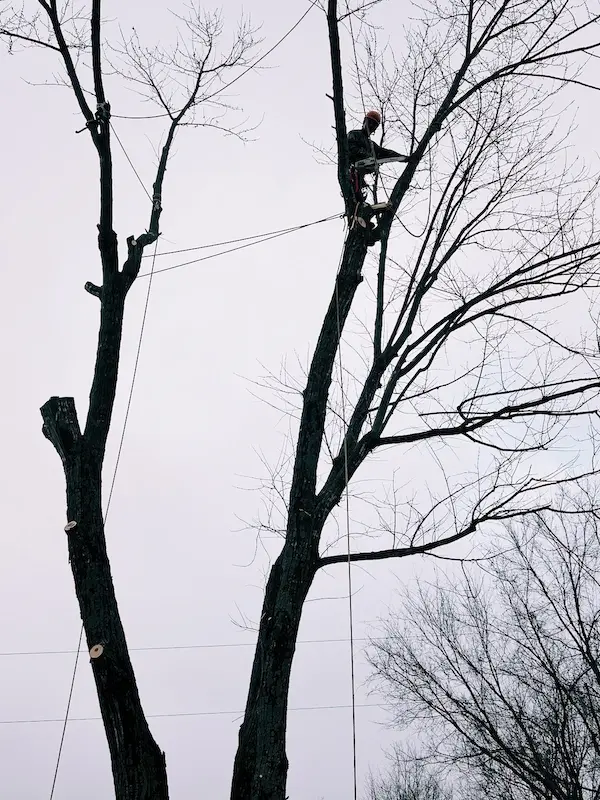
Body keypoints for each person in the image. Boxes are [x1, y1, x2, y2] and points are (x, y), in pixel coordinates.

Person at [347, 110, 409, 203]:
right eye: (370, 122)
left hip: (360, 174)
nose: (371, 126)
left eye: (374, 125)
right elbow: (350, 148)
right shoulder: (354, 134)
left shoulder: (371, 144)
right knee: (356, 195)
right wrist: (367, 156)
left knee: (360, 198)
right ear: (364, 121)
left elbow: (386, 153)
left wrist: (403, 158)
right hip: (352, 170)